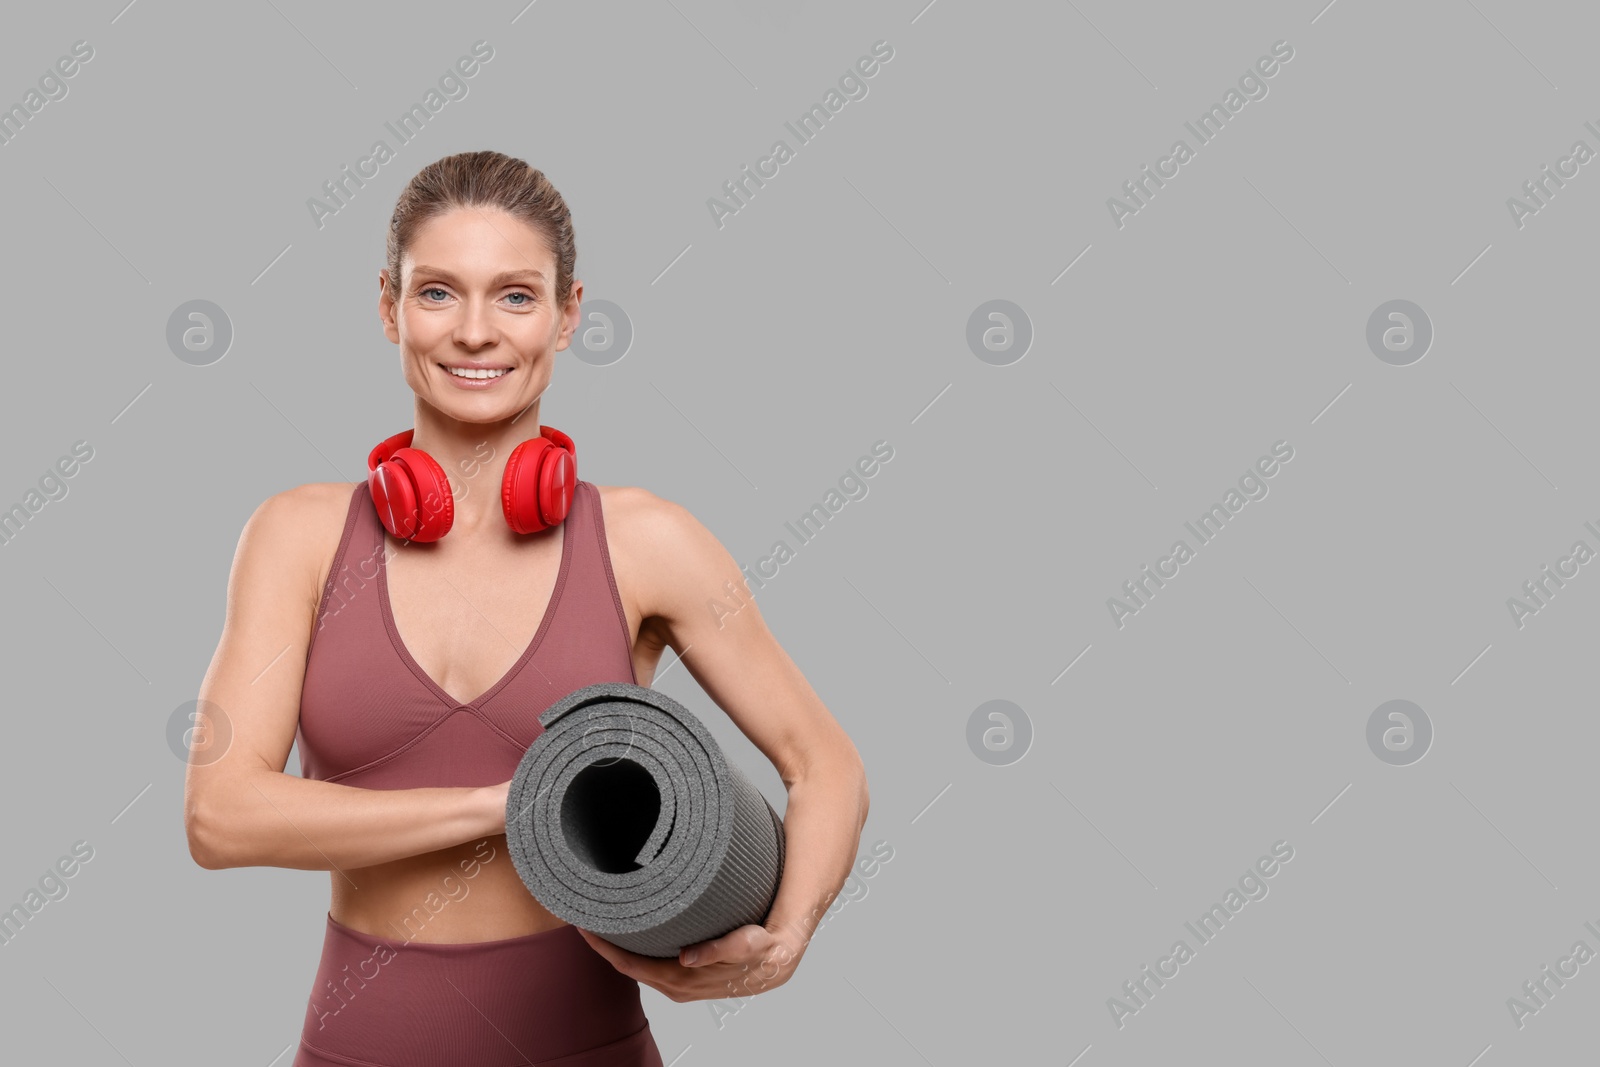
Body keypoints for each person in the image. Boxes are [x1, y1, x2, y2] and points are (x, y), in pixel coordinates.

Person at [183, 150, 871, 1066]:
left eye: (514, 295)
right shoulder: (298, 536)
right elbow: (221, 816)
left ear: (568, 314)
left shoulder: (646, 540)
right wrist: (511, 804)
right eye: (437, 293)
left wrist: (784, 941)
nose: (475, 331)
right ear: (388, 307)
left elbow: (825, 764)